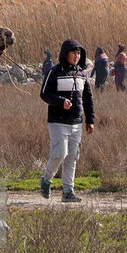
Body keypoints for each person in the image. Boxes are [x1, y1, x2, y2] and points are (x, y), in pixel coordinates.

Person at [39, 39, 95, 202]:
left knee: (72, 156)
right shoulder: (54, 72)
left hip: (76, 122)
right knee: (59, 153)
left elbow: (88, 99)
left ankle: (68, 191)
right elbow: (44, 94)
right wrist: (60, 102)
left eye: (79, 53)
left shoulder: (82, 75)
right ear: (65, 54)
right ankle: (46, 179)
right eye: (73, 53)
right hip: (57, 121)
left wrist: (90, 120)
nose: (76, 56)